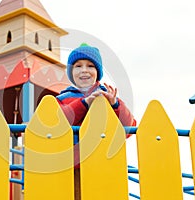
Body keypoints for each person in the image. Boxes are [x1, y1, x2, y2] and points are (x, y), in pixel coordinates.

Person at [56, 43, 136, 200]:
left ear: (97, 72)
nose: (84, 70)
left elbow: (128, 127)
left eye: (90, 66)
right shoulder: (63, 99)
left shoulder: (108, 97)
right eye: (78, 66)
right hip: (74, 166)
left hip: (103, 163)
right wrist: (84, 103)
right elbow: (59, 123)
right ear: (71, 72)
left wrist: (115, 105)